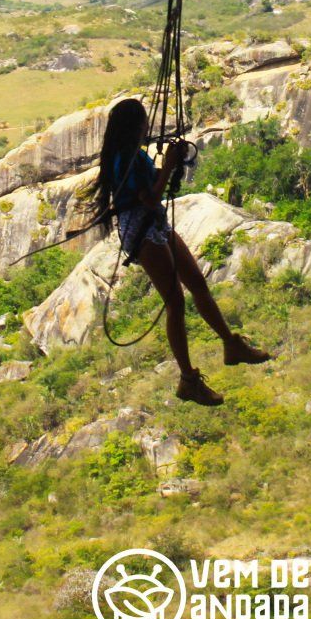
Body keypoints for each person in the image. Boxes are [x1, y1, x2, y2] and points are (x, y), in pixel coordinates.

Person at [91, 97, 269, 405]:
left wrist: (167, 167)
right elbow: (148, 197)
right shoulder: (126, 159)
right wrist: (169, 166)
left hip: (153, 222)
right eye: (143, 121)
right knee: (174, 301)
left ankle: (231, 344)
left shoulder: (132, 155)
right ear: (135, 126)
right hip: (141, 227)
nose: (147, 125)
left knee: (197, 284)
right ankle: (188, 379)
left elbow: (152, 192)